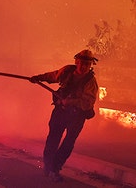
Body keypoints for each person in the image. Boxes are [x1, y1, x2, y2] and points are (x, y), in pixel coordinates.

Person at [30, 49, 99, 182]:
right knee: (53, 139)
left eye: (87, 64)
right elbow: (53, 76)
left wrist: (71, 102)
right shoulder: (67, 71)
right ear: (76, 62)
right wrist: (38, 78)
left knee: (68, 143)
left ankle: (55, 168)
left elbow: (88, 102)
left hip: (77, 116)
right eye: (82, 63)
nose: (84, 67)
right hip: (60, 112)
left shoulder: (91, 82)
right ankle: (49, 166)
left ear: (90, 65)